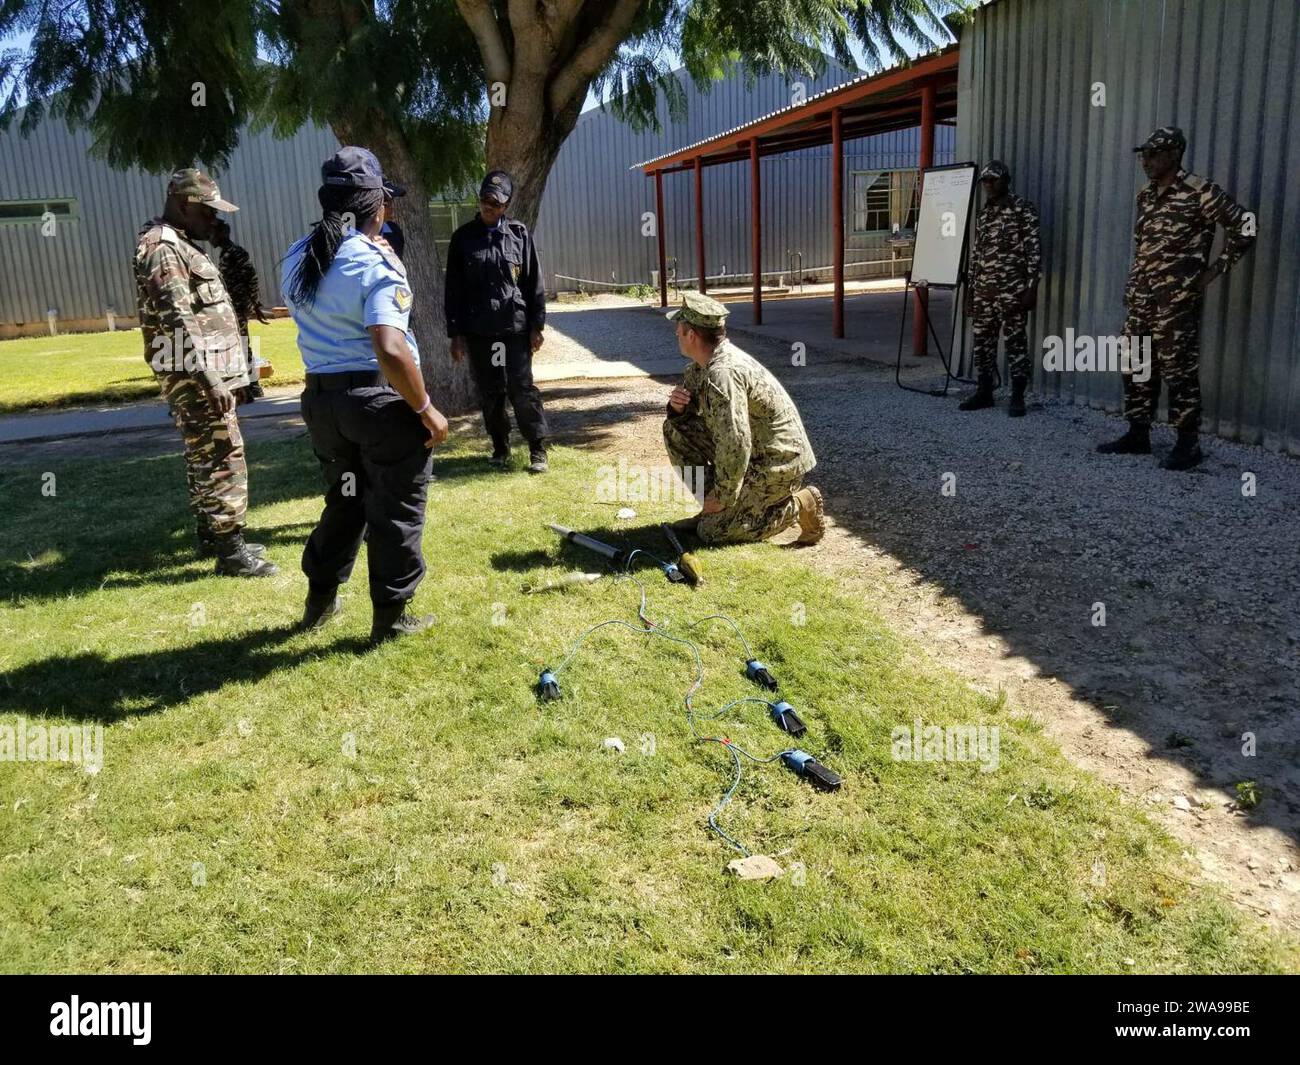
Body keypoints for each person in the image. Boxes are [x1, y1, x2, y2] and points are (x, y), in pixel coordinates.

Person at [282, 146, 450, 644]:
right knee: (396, 507)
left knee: (346, 500)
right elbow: (390, 346)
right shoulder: (373, 261)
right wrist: (425, 408)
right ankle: (391, 618)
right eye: (387, 202)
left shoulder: (299, 255)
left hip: (321, 402)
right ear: (376, 205)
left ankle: (320, 601)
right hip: (376, 405)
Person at [133, 167, 277, 577]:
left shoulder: (178, 243)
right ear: (184, 204)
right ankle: (231, 552)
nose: (215, 220)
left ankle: (213, 534)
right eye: (208, 212)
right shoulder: (163, 248)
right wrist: (209, 377)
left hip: (199, 370)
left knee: (203, 453)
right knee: (221, 452)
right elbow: (177, 318)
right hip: (194, 373)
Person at [1098, 126, 1256, 470]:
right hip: (1141, 297)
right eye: (1144, 155)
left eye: (1153, 154)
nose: (1146, 161)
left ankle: (1188, 444)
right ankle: (1138, 433)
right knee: (1135, 364)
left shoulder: (1201, 192)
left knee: (1178, 370)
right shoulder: (1146, 195)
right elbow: (1144, 247)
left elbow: (1246, 225)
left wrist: (1214, 271)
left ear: (1174, 154)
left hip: (1176, 301)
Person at [662, 291, 823, 545]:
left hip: (777, 461)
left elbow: (735, 442)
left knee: (713, 533)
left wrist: (724, 496)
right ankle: (714, 510)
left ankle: (799, 504)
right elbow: (693, 421)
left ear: (691, 335)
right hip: (755, 453)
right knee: (676, 429)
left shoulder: (723, 375)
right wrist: (678, 409)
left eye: (679, 329)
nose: (675, 334)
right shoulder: (701, 366)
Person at [444, 170, 550, 473]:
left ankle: (537, 449)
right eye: (484, 201)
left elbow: (533, 284)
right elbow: (454, 290)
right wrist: (456, 334)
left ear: (506, 206)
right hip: (480, 332)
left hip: (514, 329)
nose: (488, 207)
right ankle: (500, 447)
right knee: (491, 391)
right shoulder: (462, 239)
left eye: (495, 203)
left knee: (522, 389)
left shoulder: (519, 235)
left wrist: (536, 327)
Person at [961, 160, 1041, 416]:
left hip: (1012, 291)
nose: (988, 185)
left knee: (1016, 342)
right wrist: (970, 293)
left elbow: (1034, 251)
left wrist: (1032, 287)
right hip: (984, 290)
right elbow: (976, 255)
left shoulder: (1022, 209)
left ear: (1006, 180)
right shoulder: (984, 214)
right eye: (985, 181)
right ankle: (984, 392)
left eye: (993, 180)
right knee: (982, 343)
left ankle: (1018, 396)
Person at [210, 218, 271, 399]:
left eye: (212, 234)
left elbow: (250, 279)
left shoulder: (235, 253)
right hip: (231, 308)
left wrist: (255, 305)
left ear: (223, 233)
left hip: (238, 308)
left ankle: (252, 387)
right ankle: (248, 387)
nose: (210, 238)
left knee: (242, 346)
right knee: (238, 346)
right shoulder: (226, 253)